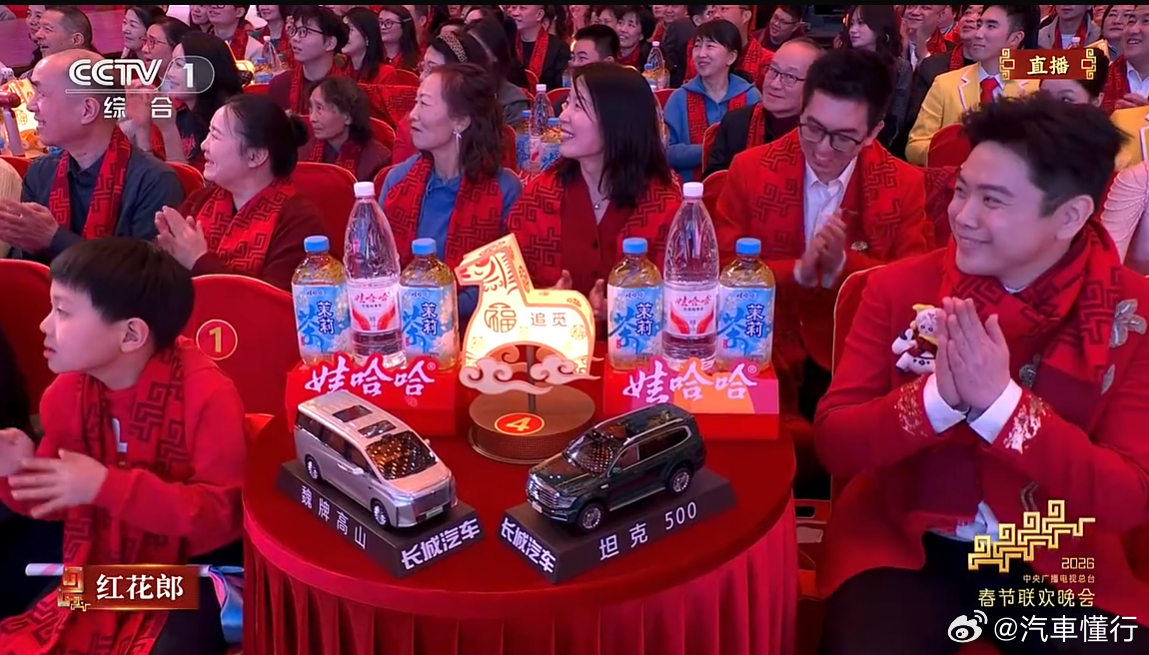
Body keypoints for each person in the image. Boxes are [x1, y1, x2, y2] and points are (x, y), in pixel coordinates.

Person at [815, 94, 1147, 655]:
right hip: (911, 537)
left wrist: (1004, 409)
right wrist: (937, 401)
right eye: (962, 190)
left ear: (1070, 215)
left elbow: (1126, 498)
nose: (962, 216)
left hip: (1058, 551)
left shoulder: (1129, 315)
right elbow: (836, 444)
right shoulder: (900, 288)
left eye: (992, 200)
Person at [0, 237, 246, 655]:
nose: (44, 325)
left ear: (131, 334)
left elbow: (222, 516)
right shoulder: (66, 395)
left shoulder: (207, 395)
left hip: (194, 571)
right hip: (105, 567)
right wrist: (18, 472)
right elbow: (59, 503)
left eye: (62, 311)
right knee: (33, 637)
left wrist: (104, 486)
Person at [714, 47, 932, 420]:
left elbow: (915, 293)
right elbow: (719, 272)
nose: (823, 150)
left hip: (855, 361)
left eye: (844, 138)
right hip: (761, 349)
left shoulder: (903, 185)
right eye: (813, 129)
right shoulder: (751, 170)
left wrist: (845, 267)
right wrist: (797, 272)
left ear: (874, 132)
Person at [506, 62, 681, 299]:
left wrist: (618, 310)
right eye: (567, 103)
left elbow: (681, 298)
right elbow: (510, 290)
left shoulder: (664, 204)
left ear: (616, 120)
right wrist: (544, 299)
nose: (563, 116)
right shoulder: (541, 193)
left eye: (579, 106)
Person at [0, 50, 184, 263]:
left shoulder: (154, 182)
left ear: (87, 110)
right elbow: (27, 269)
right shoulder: (40, 173)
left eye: (41, 94)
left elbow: (145, 276)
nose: (31, 106)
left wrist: (54, 238)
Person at [379, 62, 519, 319]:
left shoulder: (504, 190)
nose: (412, 115)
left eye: (424, 104)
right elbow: (378, 269)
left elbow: (503, 285)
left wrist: (431, 307)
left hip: (477, 328)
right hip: (400, 324)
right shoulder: (398, 181)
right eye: (415, 102)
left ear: (461, 121)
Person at [156, 94, 323, 290]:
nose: (204, 145)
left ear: (255, 156)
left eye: (215, 136)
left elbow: (274, 301)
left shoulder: (299, 220)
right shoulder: (200, 200)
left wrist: (199, 260)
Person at [906, 5, 1039, 166]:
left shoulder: (1035, 89)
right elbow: (915, 145)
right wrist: (953, 153)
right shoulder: (945, 83)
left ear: (1015, 38)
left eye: (991, 26)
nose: (978, 34)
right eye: (979, 25)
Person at [703, 38, 822, 178]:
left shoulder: (821, 136)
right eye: (773, 70)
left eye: (790, 77)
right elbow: (713, 183)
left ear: (814, 87)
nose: (775, 84)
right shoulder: (735, 123)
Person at [126, 31, 244, 167]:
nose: (169, 73)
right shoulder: (177, 110)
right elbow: (151, 174)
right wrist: (142, 126)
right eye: (172, 63)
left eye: (179, 65)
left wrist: (169, 130)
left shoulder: (230, 121)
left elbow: (185, 179)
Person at [664, 19, 760, 181]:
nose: (701, 54)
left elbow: (759, 148)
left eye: (710, 46)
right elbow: (665, 152)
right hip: (687, 189)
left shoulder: (750, 96)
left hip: (741, 186)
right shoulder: (679, 98)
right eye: (697, 46)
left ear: (731, 57)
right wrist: (711, 149)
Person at [390, 29, 492, 163]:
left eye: (432, 69)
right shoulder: (409, 127)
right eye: (423, 68)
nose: (422, 77)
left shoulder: (498, 135)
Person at [302, 76, 392, 181]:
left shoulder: (377, 161)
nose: (312, 118)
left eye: (319, 108)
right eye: (311, 108)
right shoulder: (306, 152)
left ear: (348, 117)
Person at [845, 5, 912, 146]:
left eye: (861, 23)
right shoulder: (841, 62)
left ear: (880, 26)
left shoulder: (900, 68)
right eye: (851, 24)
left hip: (883, 142)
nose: (853, 30)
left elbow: (897, 119)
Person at [269, 6, 349, 114]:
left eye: (304, 32)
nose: (295, 38)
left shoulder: (346, 92)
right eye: (294, 31)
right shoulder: (280, 84)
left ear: (330, 43)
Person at [683, 6, 772, 88]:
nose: (716, 15)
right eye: (713, 11)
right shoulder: (698, 48)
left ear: (745, 16)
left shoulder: (768, 62)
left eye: (723, 9)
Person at [467, 17, 531, 125]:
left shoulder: (513, 102)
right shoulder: (454, 90)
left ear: (494, 53)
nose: (470, 52)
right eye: (467, 47)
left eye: (476, 47)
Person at [506, 4, 570, 88]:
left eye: (522, 8)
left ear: (539, 15)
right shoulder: (506, 43)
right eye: (514, 8)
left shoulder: (559, 48)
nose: (515, 13)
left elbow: (561, 88)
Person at [344, 6, 396, 84]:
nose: (344, 35)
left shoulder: (385, 73)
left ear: (367, 36)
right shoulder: (340, 71)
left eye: (350, 30)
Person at [378, 5, 423, 71]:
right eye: (380, 22)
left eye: (388, 23)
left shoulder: (418, 62)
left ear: (404, 26)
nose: (382, 27)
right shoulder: (370, 57)